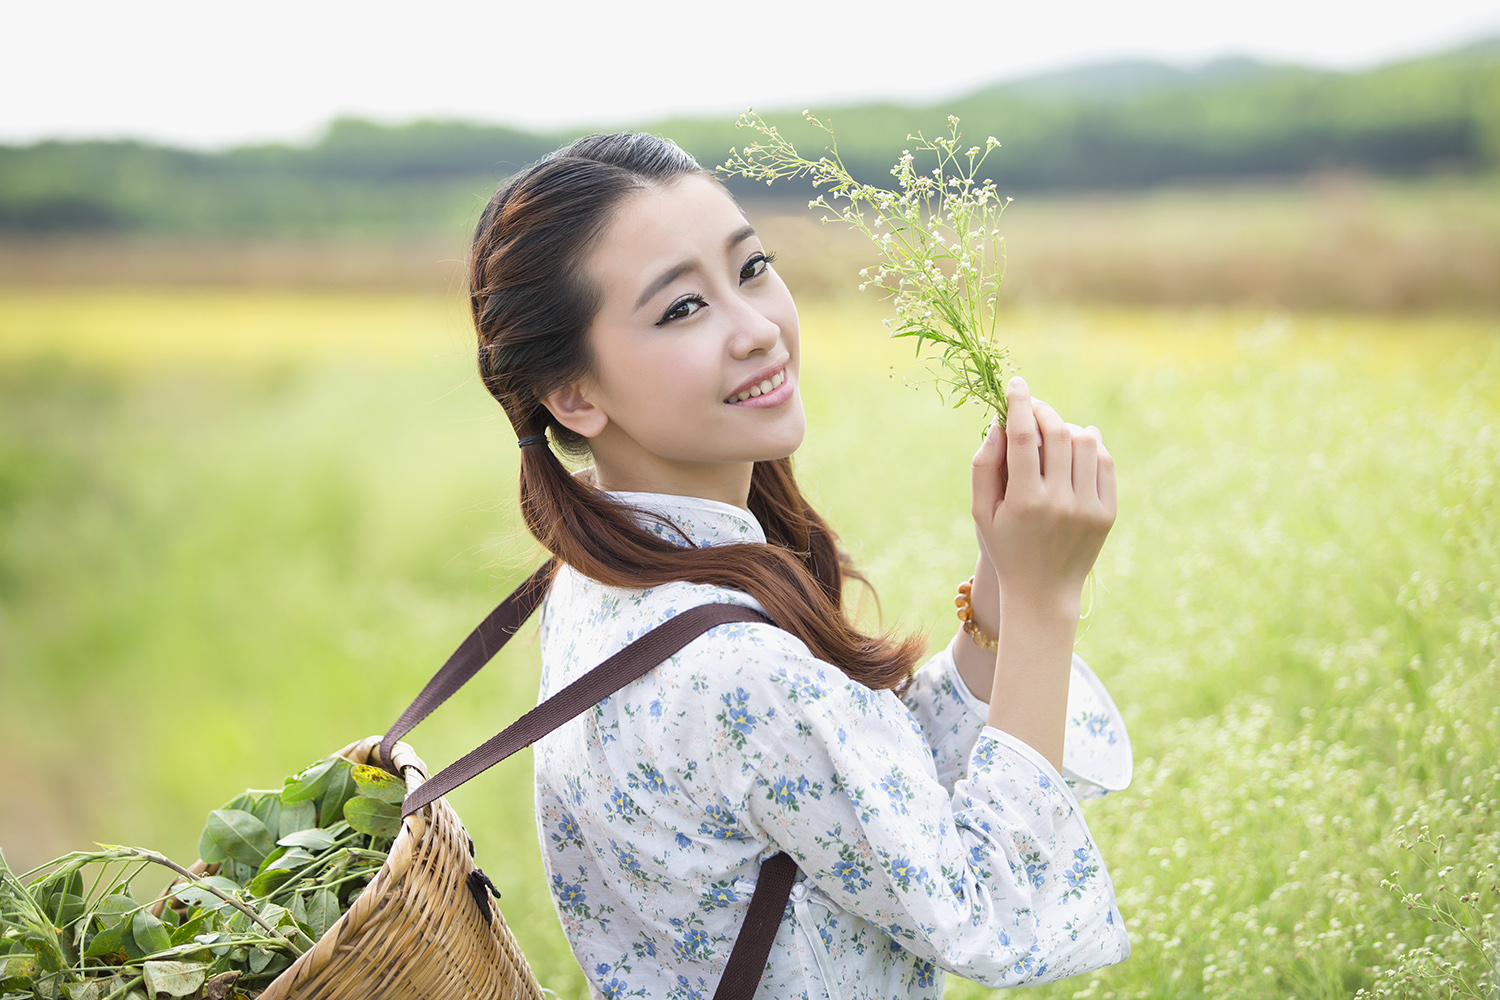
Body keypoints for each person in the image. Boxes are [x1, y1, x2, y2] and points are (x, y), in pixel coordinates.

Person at [466, 132, 1132, 1000]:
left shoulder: (605, 581)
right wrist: (1047, 605)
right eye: (680, 310)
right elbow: (992, 913)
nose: (756, 330)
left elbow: (854, 796)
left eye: (750, 269)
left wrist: (1001, 592)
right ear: (574, 395)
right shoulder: (729, 661)